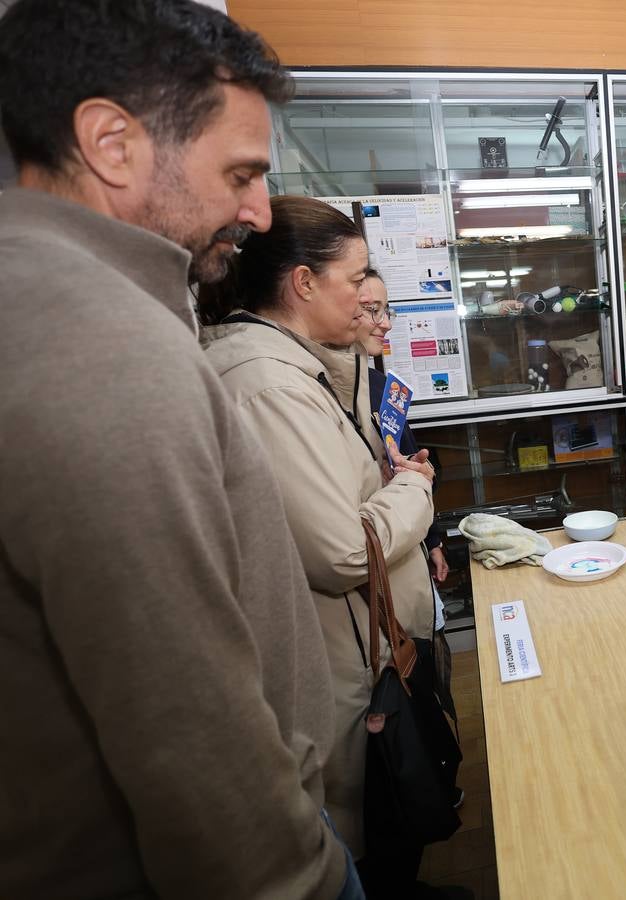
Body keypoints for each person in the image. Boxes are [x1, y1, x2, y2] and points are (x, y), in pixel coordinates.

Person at [0, 2, 361, 899]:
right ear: (111, 143)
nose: (258, 208)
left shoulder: (51, 303)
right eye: (239, 172)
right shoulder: (100, 348)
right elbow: (184, 730)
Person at [197, 197, 448, 899]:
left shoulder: (320, 366)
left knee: (395, 814)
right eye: (356, 277)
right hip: (341, 661)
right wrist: (415, 491)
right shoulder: (267, 386)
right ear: (304, 284)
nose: (369, 297)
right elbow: (341, 550)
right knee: (367, 823)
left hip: (371, 643)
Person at [357, 269, 460, 730]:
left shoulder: (382, 388)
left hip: (408, 548)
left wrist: (434, 539)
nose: (385, 322)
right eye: (371, 310)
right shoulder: (326, 391)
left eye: (386, 309)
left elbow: (411, 460)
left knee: (430, 671)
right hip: (372, 564)